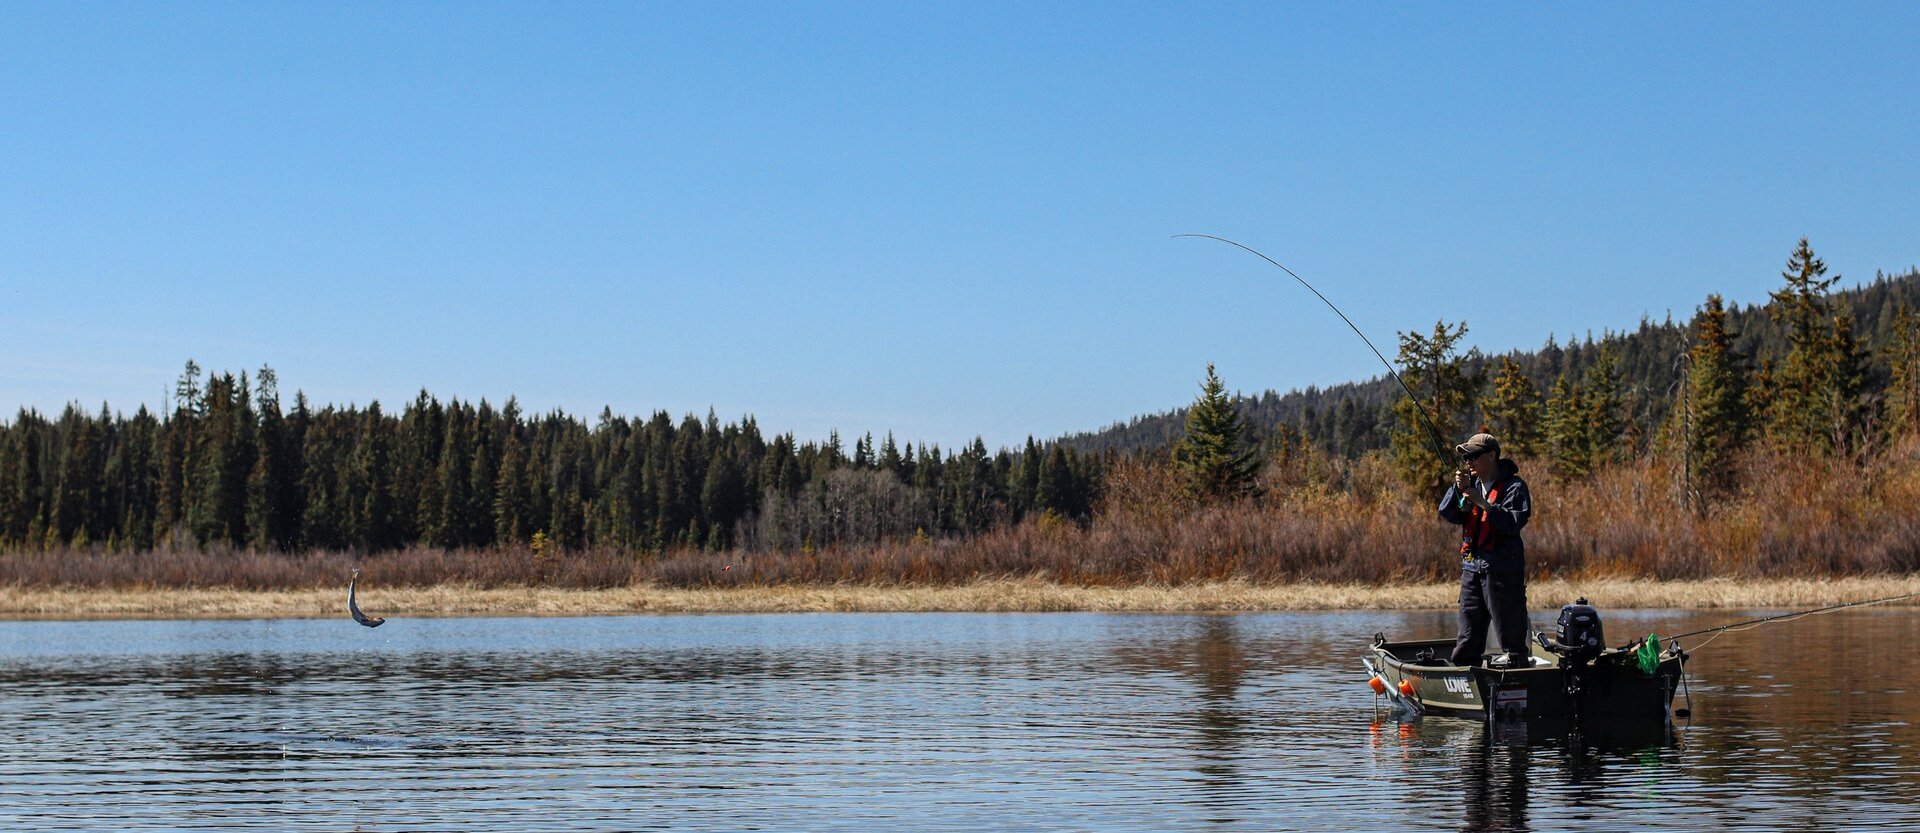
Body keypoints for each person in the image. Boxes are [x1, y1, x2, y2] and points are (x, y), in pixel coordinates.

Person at [1439, 432, 1531, 667]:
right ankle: (1465, 677)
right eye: (1466, 458)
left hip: (1502, 569)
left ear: (1492, 456)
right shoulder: (1470, 485)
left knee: (1510, 631)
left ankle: (1516, 675)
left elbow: (1513, 522)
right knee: (1468, 636)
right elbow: (1448, 513)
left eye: (1474, 456)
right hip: (1472, 567)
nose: (1468, 462)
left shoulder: (1514, 487)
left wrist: (1483, 502)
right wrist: (1459, 490)